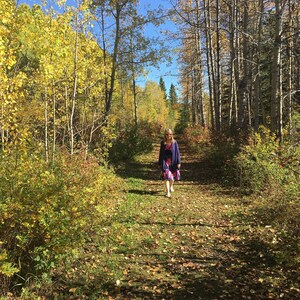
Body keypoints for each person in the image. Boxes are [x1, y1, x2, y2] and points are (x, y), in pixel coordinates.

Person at [158, 128, 181, 198]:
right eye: (167, 134)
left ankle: (171, 186)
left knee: (172, 178)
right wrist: (160, 163)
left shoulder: (174, 142)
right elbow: (161, 153)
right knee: (166, 176)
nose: (168, 135)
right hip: (165, 162)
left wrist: (178, 162)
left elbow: (177, 153)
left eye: (170, 134)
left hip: (173, 162)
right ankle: (168, 192)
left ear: (172, 135)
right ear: (165, 135)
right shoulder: (163, 143)